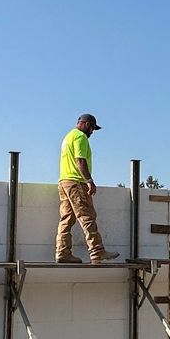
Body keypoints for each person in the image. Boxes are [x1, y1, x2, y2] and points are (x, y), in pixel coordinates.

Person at [56, 113, 118, 264]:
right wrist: (89, 180)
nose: (92, 132)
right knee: (87, 216)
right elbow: (80, 161)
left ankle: (62, 253)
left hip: (64, 182)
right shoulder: (80, 137)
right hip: (77, 183)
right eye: (92, 129)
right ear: (86, 124)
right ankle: (97, 251)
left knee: (66, 219)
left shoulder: (68, 137)